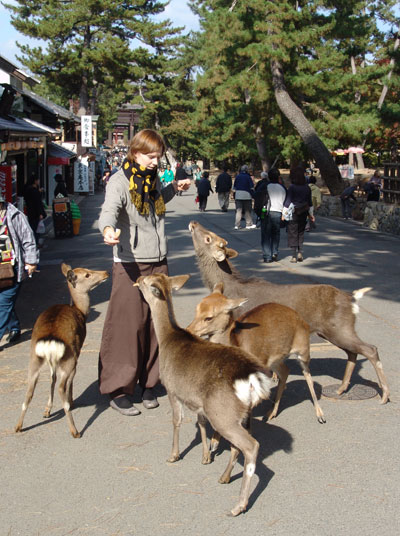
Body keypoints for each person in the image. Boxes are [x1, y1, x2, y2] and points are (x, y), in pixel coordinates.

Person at [98, 129, 190, 416]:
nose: (155, 161)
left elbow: (154, 205)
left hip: (159, 261)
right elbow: (109, 211)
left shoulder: (149, 181)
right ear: (135, 152)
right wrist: (108, 230)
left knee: (156, 324)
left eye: (158, 156)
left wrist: (174, 188)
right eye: (151, 156)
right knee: (128, 325)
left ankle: (151, 382)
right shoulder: (119, 181)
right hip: (130, 264)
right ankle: (119, 388)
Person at [0, 191, 38, 347]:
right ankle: (14, 327)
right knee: (6, 303)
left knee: (4, 302)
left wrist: (31, 262)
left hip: (12, 268)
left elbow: (28, 240)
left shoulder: (14, 215)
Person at [282, 166, 314, 263]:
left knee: (293, 232)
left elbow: (288, 201)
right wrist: (311, 214)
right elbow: (310, 202)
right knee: (301, 232)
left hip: (294, 212)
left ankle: (293, 255)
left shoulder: (292, 187)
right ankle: (300, 251)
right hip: (304, 211)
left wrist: (284, 213)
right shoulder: (307, 188)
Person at [260, 168, 286, 263]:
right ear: (278, 177)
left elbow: (258, 196)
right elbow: (286, 202)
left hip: (267, 212)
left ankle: (267, 256)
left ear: (269, 177)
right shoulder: (282, 188)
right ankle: (275, 252)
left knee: (266, 235)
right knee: (276, 234)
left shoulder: (266, 186)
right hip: (278, 212)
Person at [23, 175, 47, 244]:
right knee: (36, 229)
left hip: (30, 212)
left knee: (33, 228)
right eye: (38, 180)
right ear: (35, 181)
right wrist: (40, 213)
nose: (38, 181)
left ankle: (33, 243)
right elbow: (37, 203)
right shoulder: (34, 191)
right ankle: (36, 243)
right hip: (35, 213)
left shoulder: (28, 189)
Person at [233, 165, 256, 229]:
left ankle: (237, 225)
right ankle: (248, 224)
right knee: (247, 210)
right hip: (246, 194)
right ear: (246, 170)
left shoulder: (238, 176)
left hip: (238, 194)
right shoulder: (248, 177)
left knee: (238, 210)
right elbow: (251, 187)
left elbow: (234, 186)